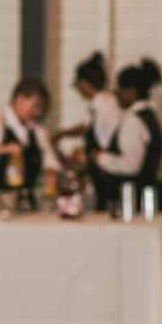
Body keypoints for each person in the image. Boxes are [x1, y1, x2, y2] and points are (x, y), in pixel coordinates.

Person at [0, 77, 61, 195]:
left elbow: (51, 163)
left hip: (26, 204)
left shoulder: (38, 132)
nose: (37, 112)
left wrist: (50, 174)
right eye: (34, 106)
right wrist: (5, 149)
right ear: (20, 98)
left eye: (40, 109)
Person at [90, 58, 162, 210]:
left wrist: (100, 158)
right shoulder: (151, 116)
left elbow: (131, 165)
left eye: (119, 88)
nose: (116, 93)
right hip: (146, 198)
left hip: (132, 202)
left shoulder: (133, 121)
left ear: (131, 91)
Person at [52, 52, 121, 210]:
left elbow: (110, 139)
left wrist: (60, 134)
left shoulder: (106, 106)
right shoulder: (99, 105)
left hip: (107, 174)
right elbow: (87, 128)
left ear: (83, 83)